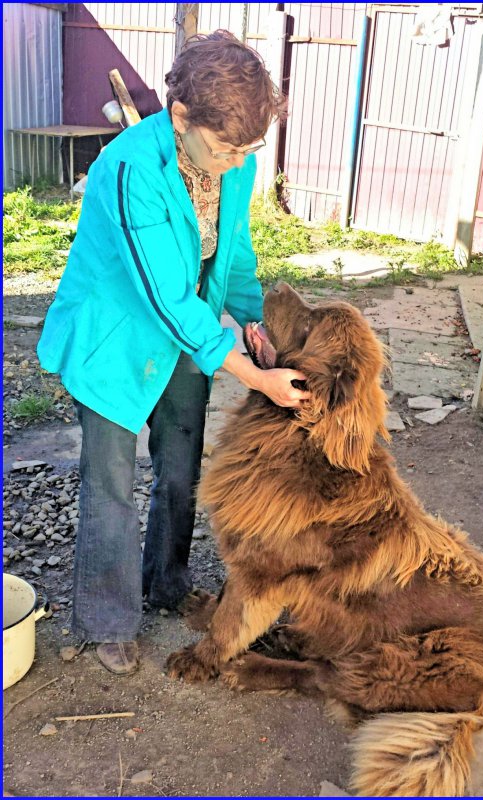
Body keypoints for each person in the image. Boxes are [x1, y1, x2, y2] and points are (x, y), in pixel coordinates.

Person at [37, 30, 310, 675]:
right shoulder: (131, 172)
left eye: (250, 150)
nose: (238, 164)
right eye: (226, 149)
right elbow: (169, 302)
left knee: (181, 467)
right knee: (111, 485)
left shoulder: (232, 168)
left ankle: (167, 580)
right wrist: (258, 380)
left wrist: (251, 323)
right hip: (116, 340)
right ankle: (107, 620)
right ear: (180, 116)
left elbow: (235, 254)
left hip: (189, 337)